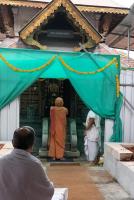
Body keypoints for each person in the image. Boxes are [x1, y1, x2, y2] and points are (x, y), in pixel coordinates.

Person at [0, 126, 54, 200]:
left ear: (12, 142)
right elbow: (48, 192)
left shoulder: (2, 162)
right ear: (32, 144)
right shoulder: (35, 164)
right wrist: (51, 185)